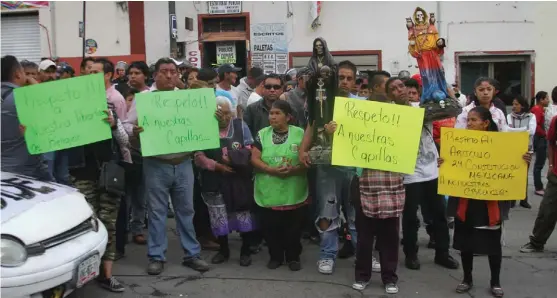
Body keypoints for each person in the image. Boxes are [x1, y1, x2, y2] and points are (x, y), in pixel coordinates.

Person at [129, 58, 210, 275]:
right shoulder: (144, 99)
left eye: (173, 71)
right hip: (156, 164)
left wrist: (217, 120)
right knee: (157, 212)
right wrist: (135, 133)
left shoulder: (186, 99)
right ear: (154, 75)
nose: (169, 75)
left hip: (183, 162)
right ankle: (156, 256)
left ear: (178, 74)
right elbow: (127, 126)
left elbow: (203, 124)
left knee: (186, 211)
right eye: (164, 71)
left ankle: (192, 254)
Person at [442, 106, 531, 298]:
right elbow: (450, 165)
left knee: (492, 244)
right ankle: (467, 279)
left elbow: (514, 167)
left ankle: (495, 281)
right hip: (466, 201)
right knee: (465, 242)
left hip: (490, 203)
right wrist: (444, 163)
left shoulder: (502, 145)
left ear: (485, 123)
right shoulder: (460, 143)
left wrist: (524, 159)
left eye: (474, 120)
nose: (470, 123)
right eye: (468, 120)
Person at [351, 93, 405, 295]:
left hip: (392, 189)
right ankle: (362, 275)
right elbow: (345, 150)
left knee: (390, 239)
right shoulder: (358, 132)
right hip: (365, 188)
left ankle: (389, 277)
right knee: (364, 239)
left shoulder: (400, 131)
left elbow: (412, 155)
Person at [195, 96, 256, 266]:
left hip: (238, 179)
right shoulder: (204, 128)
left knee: (243, 213)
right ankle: (223, 250)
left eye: (227, 113)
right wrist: (217, 166)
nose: (224, 117)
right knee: (218, 215)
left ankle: (245, 251)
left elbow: (249, 149)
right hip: (214, 179)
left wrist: (234, 159)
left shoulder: (240, 126)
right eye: (219, 113)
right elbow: (198, 155)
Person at [251, 100, 308, 271]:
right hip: (269, 191)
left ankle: (293, 257)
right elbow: (254, 158)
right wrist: (270, 169)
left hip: (294, 190)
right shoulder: (262, 134)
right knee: (271, 228)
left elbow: (308, 159)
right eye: (271, 113)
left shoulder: (300, 134)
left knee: (293, 229)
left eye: (277, 113)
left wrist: (295, 169)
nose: (273, 117)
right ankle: (275, 256)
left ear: (288, 117)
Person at [1, 55, 51, 181]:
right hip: (27, 168)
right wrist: (36, 85)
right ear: (18, 74)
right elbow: (52, 107)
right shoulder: (23, 98)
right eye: (24, 72)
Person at [520, 114, 557, 253]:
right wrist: (552, 165)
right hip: (556, 176)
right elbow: (551, 143)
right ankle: (536, 243)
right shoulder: (556, 120)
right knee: (547, 211)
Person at [507, 95, 536, 209]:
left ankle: (524, 199)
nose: (514, 106)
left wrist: (516, 132)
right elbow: (507, 130)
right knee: (512, 174)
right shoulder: (509, 116)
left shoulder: (531, 116)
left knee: (524, 174)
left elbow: (532, 131)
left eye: (516, 104)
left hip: (526, 149)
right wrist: (524, 130)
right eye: (513, 104)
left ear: (522, 105)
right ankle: (512, 198)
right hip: (512, 149)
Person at [530, 91, 550, 196]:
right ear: (541, 100)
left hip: (541, 138)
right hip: (540, 139)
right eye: (547, 98)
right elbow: (536, 126)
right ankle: (538, 187)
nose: (548, 100)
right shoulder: (537, 110)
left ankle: (539, 186)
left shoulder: (541, 109)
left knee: (540, 163)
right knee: (539, 164)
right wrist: (545, 134)